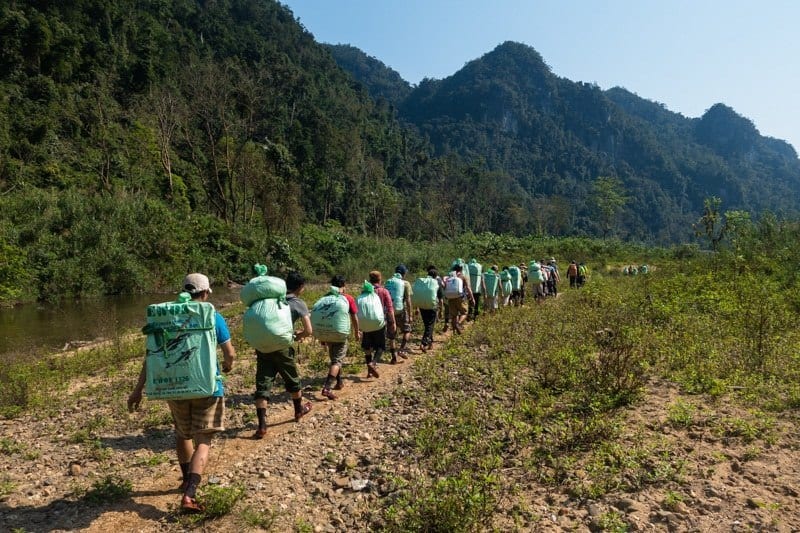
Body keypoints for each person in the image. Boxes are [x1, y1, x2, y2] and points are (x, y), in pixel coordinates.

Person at [128, 273, 236, 513]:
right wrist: (228, 366)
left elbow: (151, 358)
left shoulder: (168, 318)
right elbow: (229, 353)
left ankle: (185, 478)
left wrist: (137, 390)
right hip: (208, 387)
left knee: (182, 434)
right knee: (204, 440)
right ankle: (190, 494)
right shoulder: (212, 316)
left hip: (175, 388)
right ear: (206, 293)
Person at [251, 271, 313, 440]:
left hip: (263, 347)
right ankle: (298, 410)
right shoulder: (297, 303)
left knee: (263, 384)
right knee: (292, 380)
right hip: (284, 347)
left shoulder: (269, 301)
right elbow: (308, 330)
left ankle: (262, 426)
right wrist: (297, 336)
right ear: (301, 287)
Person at [319, 275, 360, 400]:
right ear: (343, 285)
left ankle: (339, 382)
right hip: (340, 333)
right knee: (337, 361)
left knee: (334, 358)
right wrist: (357, 332)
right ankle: (327, 388)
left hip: (326, 332)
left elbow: (320, 315)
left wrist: (321, 335)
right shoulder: (347, 298)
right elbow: (354, 317)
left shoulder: (325, 298)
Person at [367, 270, 397, 364]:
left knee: (369, 343)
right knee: (390, 337)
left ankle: (369, 363)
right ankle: (393, 357)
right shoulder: (384, 291)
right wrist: (393, 322)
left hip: (369, 319)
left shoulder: (366, 291)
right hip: (382, 319)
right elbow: (390, 308)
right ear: (380, 279)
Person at [386, 264, 413, 361]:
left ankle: (393, 357)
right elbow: (408, 300)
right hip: (401, 310)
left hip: (389, 311)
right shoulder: (405, 283)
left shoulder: (388, 282)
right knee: (407, 330)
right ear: (404, 273)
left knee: (392, 334)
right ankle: (401, 349)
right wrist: (410, 315)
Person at [443, 263, 474, 334]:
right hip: (461, 298)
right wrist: (472, 298)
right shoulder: (463, 277)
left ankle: (454, 331)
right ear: (461, 269)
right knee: (464, 313)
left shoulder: (449, 277)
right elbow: (468, 288)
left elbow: (445, 287)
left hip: (451, 298)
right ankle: (458, 324)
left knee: (454, 315)